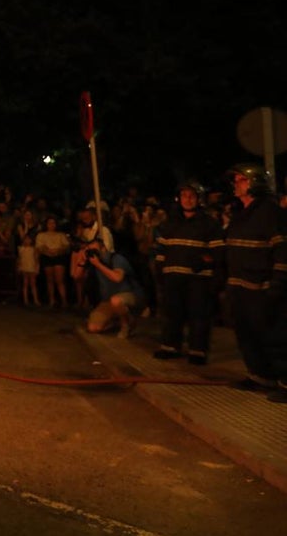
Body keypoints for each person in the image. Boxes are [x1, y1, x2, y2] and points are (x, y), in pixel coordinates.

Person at [220, 163, 287, 398]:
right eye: (236, 180)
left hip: (263, 289)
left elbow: (282, 251)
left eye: (241, 180)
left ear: (255, 182)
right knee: (247, 335)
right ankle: (261, 376)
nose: (236, 184)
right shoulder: (240, 215)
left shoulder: (271, 213)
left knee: (275, 337)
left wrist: (277, 284)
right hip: (241, 290)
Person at [152, 180, 225, 365]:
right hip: (172, 278)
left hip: (198, 279)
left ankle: (197, 351)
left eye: (192, 196)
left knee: (198, 315)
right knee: (172, 313)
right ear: (178, 198)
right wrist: (160, 271)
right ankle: (170, 347)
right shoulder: (169, 224)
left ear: (199, 199)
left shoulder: (209, 224)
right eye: (184, 195)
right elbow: (161, 251)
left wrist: (204, 261)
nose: (188, 199)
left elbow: (218, 252)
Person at [84, 238, 146, 339]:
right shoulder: (93, 262)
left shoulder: (116, 259)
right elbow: (77, 276)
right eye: (90, 251)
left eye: (95, 250)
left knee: (116, 301)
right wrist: (83, 259)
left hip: (129, 295)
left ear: (103, 248)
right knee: (93, 328)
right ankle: (118, 321)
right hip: (107, 300)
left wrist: (98, 265)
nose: (93, 254)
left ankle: (125, 325)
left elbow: (117, 278)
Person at [35, 215, 70, 309]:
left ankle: (64, 300)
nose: (51, 225)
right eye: (49, 223)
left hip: (59, 257)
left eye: (53, 223)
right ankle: (51, 300)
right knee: (49, 280)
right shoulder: (41, 235)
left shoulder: (61, 235)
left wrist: (58, 250)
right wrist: (47, 251)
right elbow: (39, 247)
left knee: (59, 280)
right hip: (47, 257)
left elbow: (66, 246)